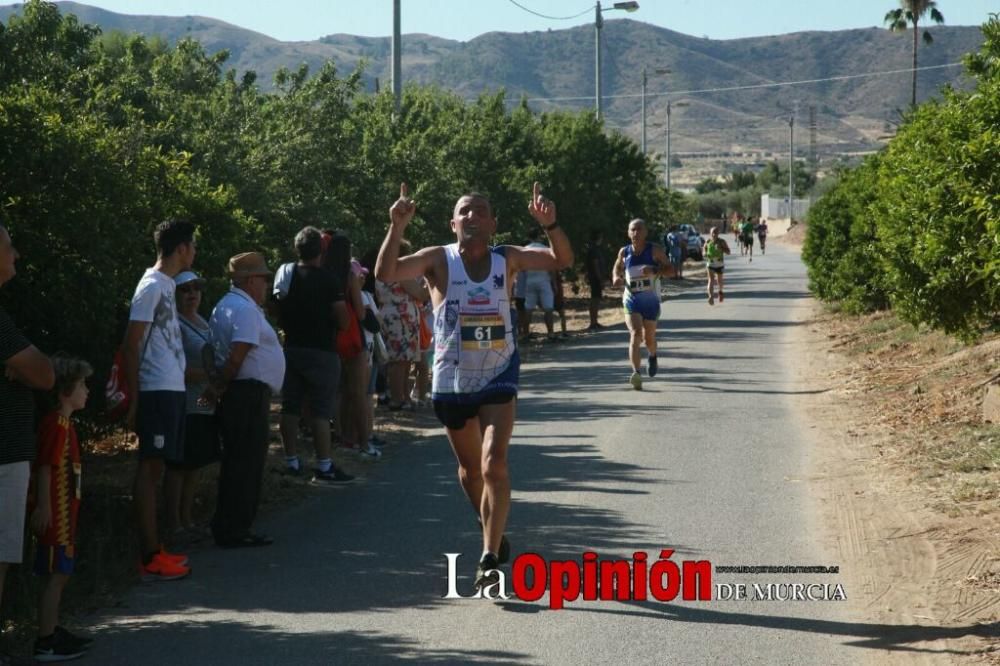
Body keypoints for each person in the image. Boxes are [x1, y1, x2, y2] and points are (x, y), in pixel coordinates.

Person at [375, 182, 572, 590]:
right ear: (453, 223)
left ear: (493, 223)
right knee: (470, 472)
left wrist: (551, 224)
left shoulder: (508, 258)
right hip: (451, 381)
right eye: (465, 211)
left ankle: (487, 555)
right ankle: (493, 529)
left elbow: (561, 259)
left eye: (480, 211)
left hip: (499, 374)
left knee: (493, 464)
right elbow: (386, 273)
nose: (472, 217)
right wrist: (395, 227)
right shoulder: (437, 260)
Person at [123, 218, 195, 581]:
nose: (194, 251)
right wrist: (134, 398)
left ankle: (158, 548)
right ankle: (149, 555)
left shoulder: (166, 284)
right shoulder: (150, 285)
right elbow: (131, 342)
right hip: (154, 389)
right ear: (181, 248)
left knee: (160, 468)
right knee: (150, 469)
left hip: (171, 388)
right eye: (192, 245)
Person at [0, 224, 55, 665]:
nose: (16, 254)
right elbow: (44, 374)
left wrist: (20, 367)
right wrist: (21, 369)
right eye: (10, 246)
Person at [207, 252, 286, 547]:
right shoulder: (245, 310)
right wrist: (221, 385)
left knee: (238, 461)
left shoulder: (228, 306)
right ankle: (236, 528)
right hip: (247, 393)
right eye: (263, 279)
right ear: (250, 280)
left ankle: (230, 524)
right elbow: (237, 356)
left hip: (242, 393)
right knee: (247, 463)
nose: (266, 285)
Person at [275, 227, 354, 481]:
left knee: (290, 406)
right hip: (322, 352)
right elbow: (343, 321)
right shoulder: (329, 280)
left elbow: (275, 308)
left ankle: (291, 461)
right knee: (321, 411)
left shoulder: (286, 276)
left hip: (292, 349)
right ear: (322, 250)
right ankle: (324, 465)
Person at [30, 356, 93, 662]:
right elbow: (45, 467)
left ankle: (51, 629)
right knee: (56, 573)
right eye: (82, 385)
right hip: (56, 514)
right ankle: (45, 640)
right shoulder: (55, 425)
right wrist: (44, 506)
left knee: (61, 573)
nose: (87, 391)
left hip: (66, 513)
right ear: (66, 390)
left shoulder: (66, 425)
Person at [165, 271, 220, 544]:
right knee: (179, 465)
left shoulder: (204, 322)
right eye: (185, 289)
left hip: (204, 401)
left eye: (196, 288)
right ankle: (173, 523)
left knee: (195, 463)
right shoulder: (174, 324)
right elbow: (175, 366)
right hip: (184, 401)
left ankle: (188, 520)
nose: (192, 294)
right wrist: (210, 376)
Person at [612, 218, 674, 391]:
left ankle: (653, 355)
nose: (636, 233)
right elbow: (617, 267)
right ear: (628, 232)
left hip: (651, 301)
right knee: (635, 333)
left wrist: (655, 270)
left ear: (645, 232)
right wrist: (616, 277)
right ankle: (636, 373)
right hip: (631, 299)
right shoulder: (624, 252)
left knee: (649, 339)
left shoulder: (655, 251)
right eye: (633, 230)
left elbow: (671, 270)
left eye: (639, 229)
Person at [376, 240, 427, 410]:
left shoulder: (383, 272)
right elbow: (420, 293)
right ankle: (397, 399)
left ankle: (404, 397)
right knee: (399, 361)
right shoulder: (399, 272)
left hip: (398, 318)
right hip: (400, 319)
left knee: (405, 361)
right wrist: (432, 283)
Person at [520, 228, 557, 342]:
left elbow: (521, 268)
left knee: (528, 308)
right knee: (548, 308)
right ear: (539, 236)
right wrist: (554, 283)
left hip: (529, 281)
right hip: (543, 280)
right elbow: (552, 268)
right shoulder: (545, 249)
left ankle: (525, 334)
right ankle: (550, 333)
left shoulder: (524, 250)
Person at [584, 230, 606, 330]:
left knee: (596, 299)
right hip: (595, 278)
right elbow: (595, 264)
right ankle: (593, 322)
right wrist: (600, 278)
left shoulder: (594, 249)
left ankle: (595, 321)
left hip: (594, 277)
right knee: (595, 300)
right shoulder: (594, 250)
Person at [704, 227, 732, 305]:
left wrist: (721, 248)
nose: (714, 234)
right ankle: (711, 296)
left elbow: (729, 252)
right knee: (710, 280)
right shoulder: (708, 241)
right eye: (712, 232)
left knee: (719, 280)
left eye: (715, 232)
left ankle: (720, 291)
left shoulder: (722, 242)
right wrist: (705, 254)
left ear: (718, 234)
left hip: (719, 264)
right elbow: (704, 251)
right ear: (710, 233)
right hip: (710, 263)